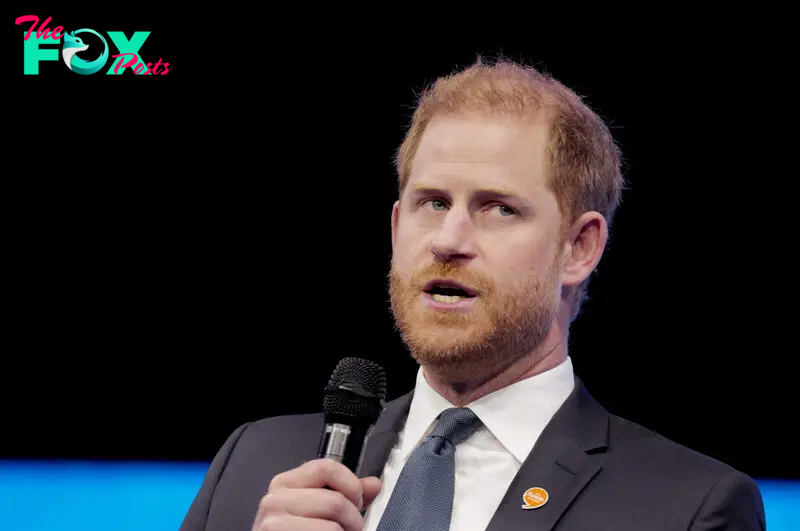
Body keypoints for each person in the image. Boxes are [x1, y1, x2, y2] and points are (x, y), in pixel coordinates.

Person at [179, 57, 766, 531]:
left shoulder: (687, 507)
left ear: (579, 248)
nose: (448, 239)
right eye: (432, 203)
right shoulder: (255, 463)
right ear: (394, 228)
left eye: (499, 209)